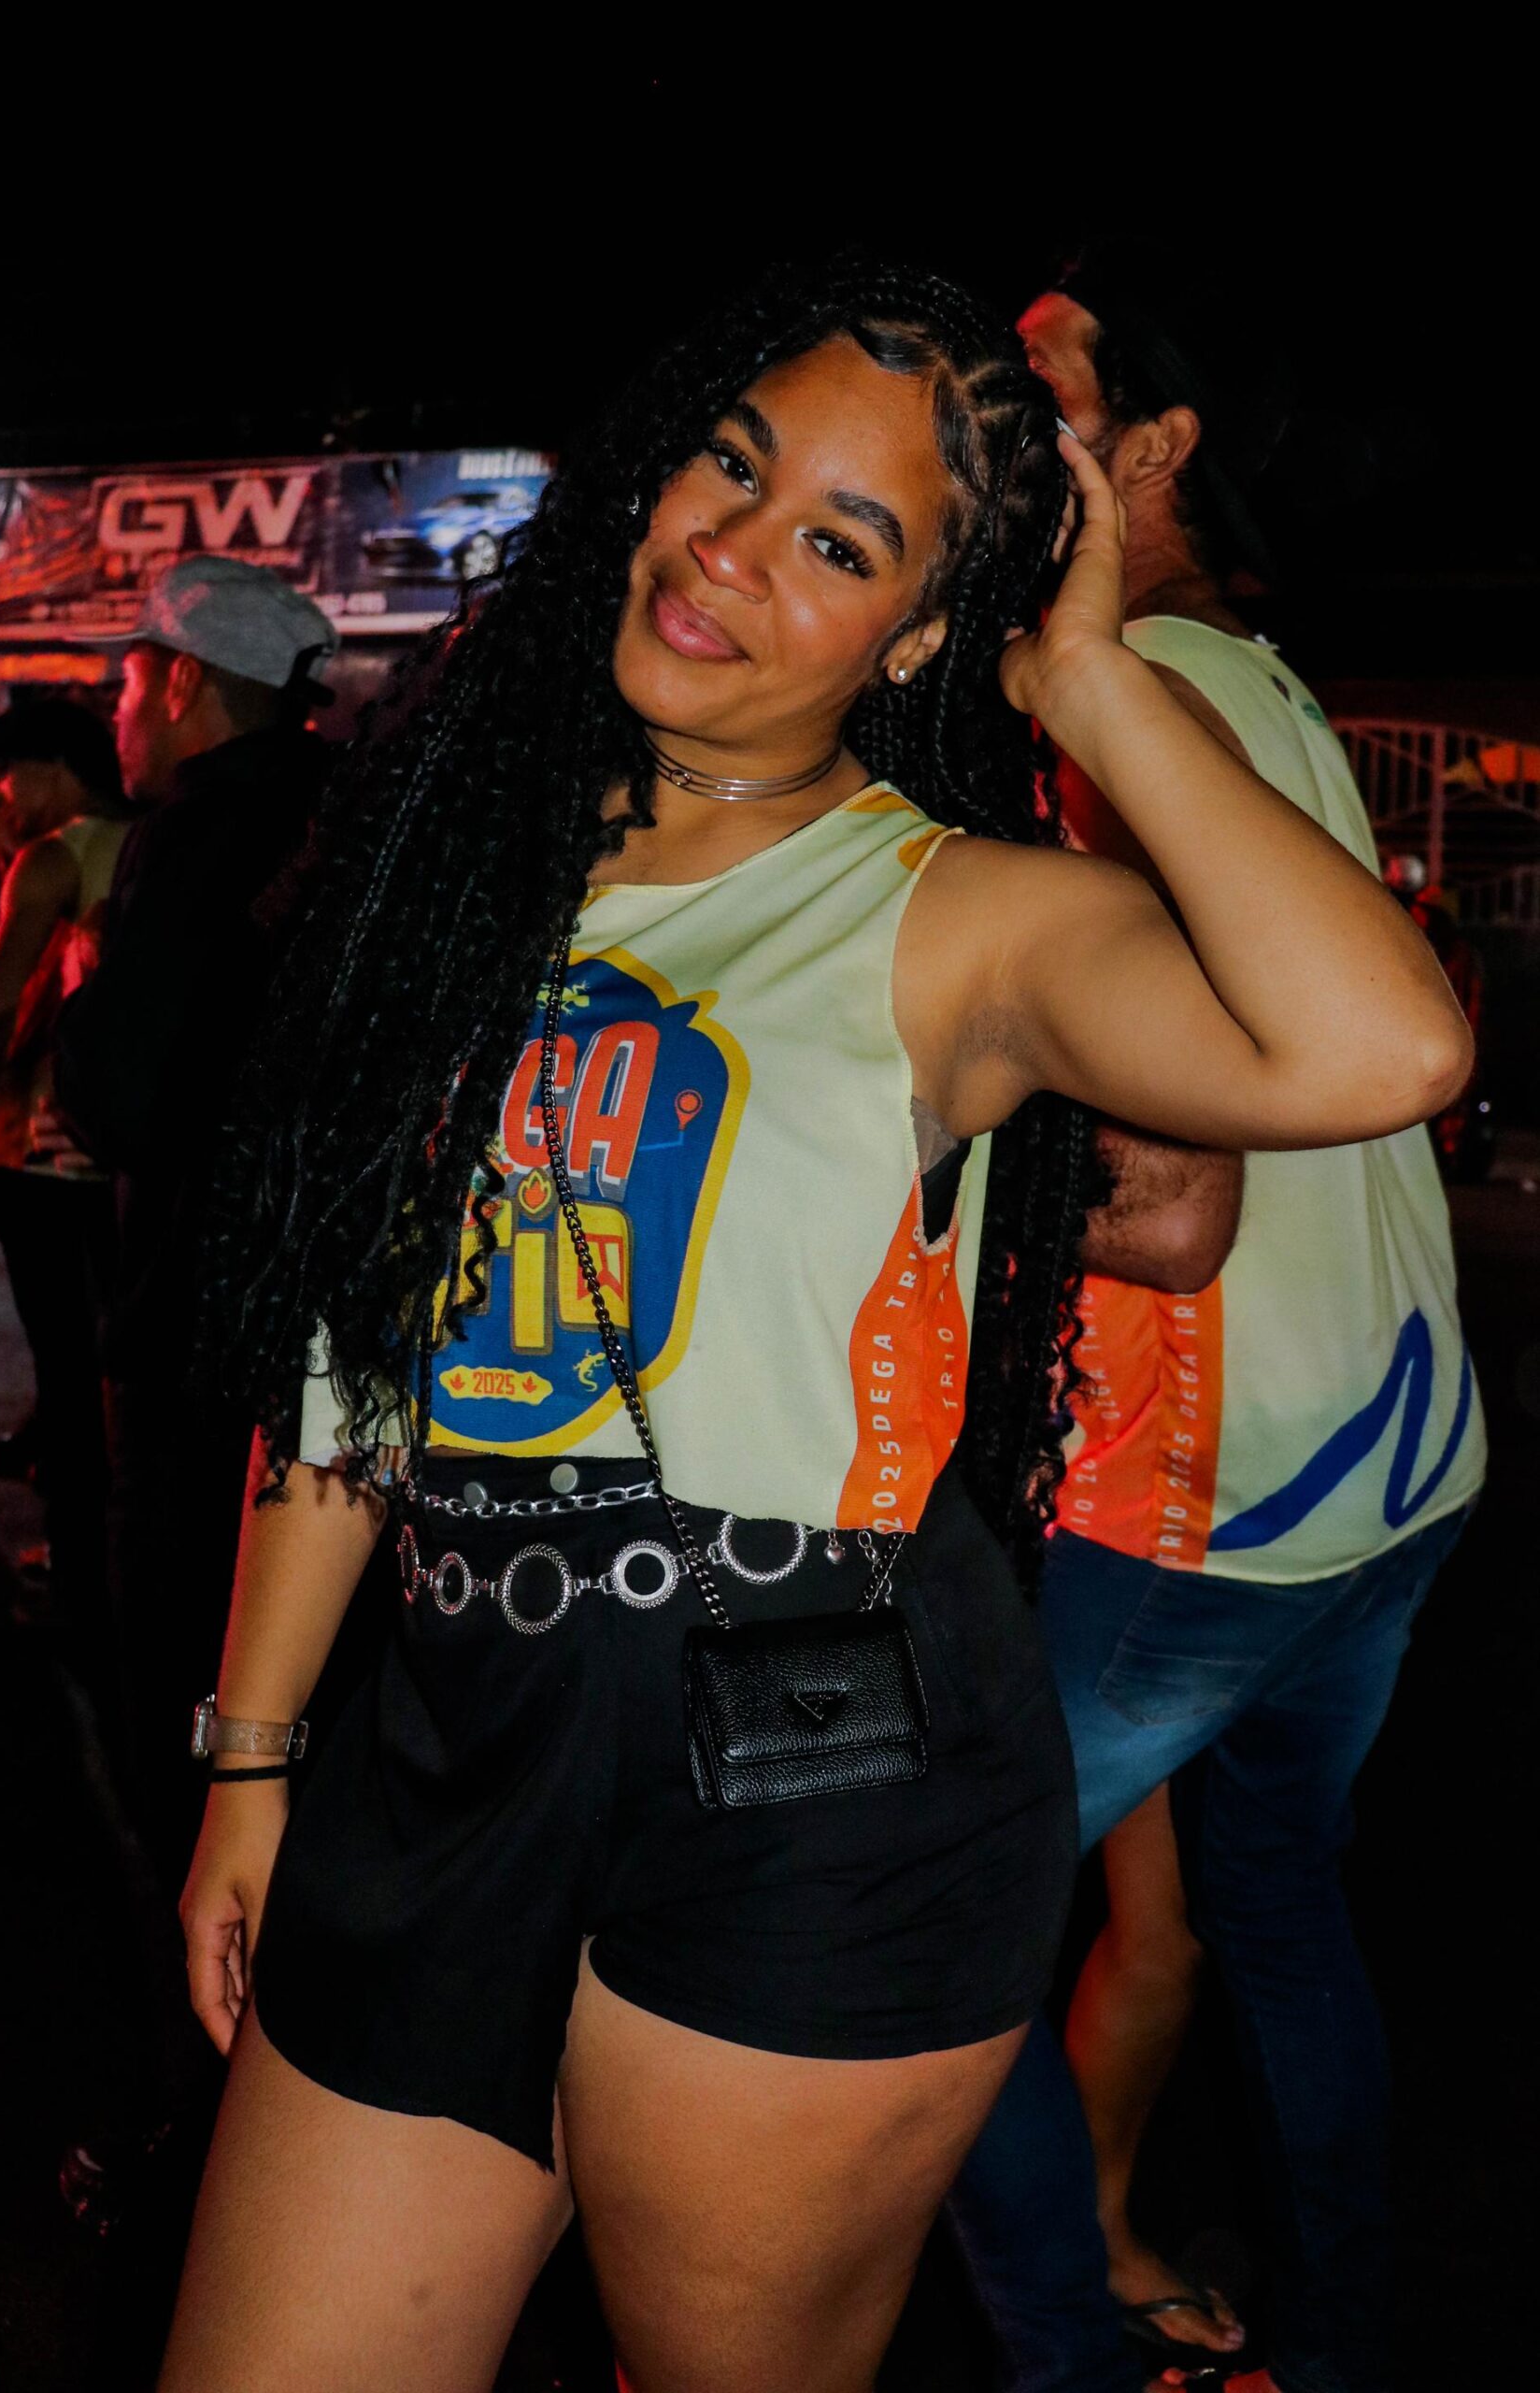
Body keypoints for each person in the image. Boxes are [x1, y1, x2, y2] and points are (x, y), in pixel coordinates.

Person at [162, 259, 1468, 2393]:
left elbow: (1380, 1045)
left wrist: (1085, 676)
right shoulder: (463, 871)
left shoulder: (950, 910)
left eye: (842, 546)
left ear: (917, 634)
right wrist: (251, 1753)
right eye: (730, 466)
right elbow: (345, 1361)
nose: (731, 551)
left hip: (811, 1783)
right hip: (445, 1729)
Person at [950, 244, 1487, 2393]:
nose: (989, 406)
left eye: (1041, 380)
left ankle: (1072, 2354)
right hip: (1392, 1460)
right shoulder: (1241, 673)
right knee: (1270, 1911)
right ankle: (1325, 2340)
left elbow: (1166, 1212)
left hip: (1214, 1492)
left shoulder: (1122, 696)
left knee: (926, 1932)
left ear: (1151, 444)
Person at [54, 558, 337, 1885]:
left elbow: (128, 1087)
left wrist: (82, 1005)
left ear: (180, 683)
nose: (119, 714)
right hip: (326, 1311)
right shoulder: (351, 802)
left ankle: (197, 1936)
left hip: (198, 1309)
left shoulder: (198, 827)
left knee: (182, 1639)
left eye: (128, 684)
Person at [0, 697, 132, 1706]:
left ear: (53, 765)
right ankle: (110, 1558)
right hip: (119, 1158)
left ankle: (76, 1578)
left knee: (64, 1368)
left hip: (40, 1151)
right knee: (105, 1366)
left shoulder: (54, 856)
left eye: (3, 779)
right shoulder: (147, 842)